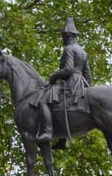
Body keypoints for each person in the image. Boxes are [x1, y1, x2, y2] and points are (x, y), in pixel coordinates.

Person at [36, 18, 92, 148]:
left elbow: (68, 69)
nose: (62, 38)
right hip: (81, 82)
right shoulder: (83, 51)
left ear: (67, 35)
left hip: (69, 81)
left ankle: (48, 132)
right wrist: (87, 87)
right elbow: (87, 74)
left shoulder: (69, 49)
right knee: (62, 107)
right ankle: (62, 139)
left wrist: (53, 77)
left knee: (43, 101)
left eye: (62, 35)